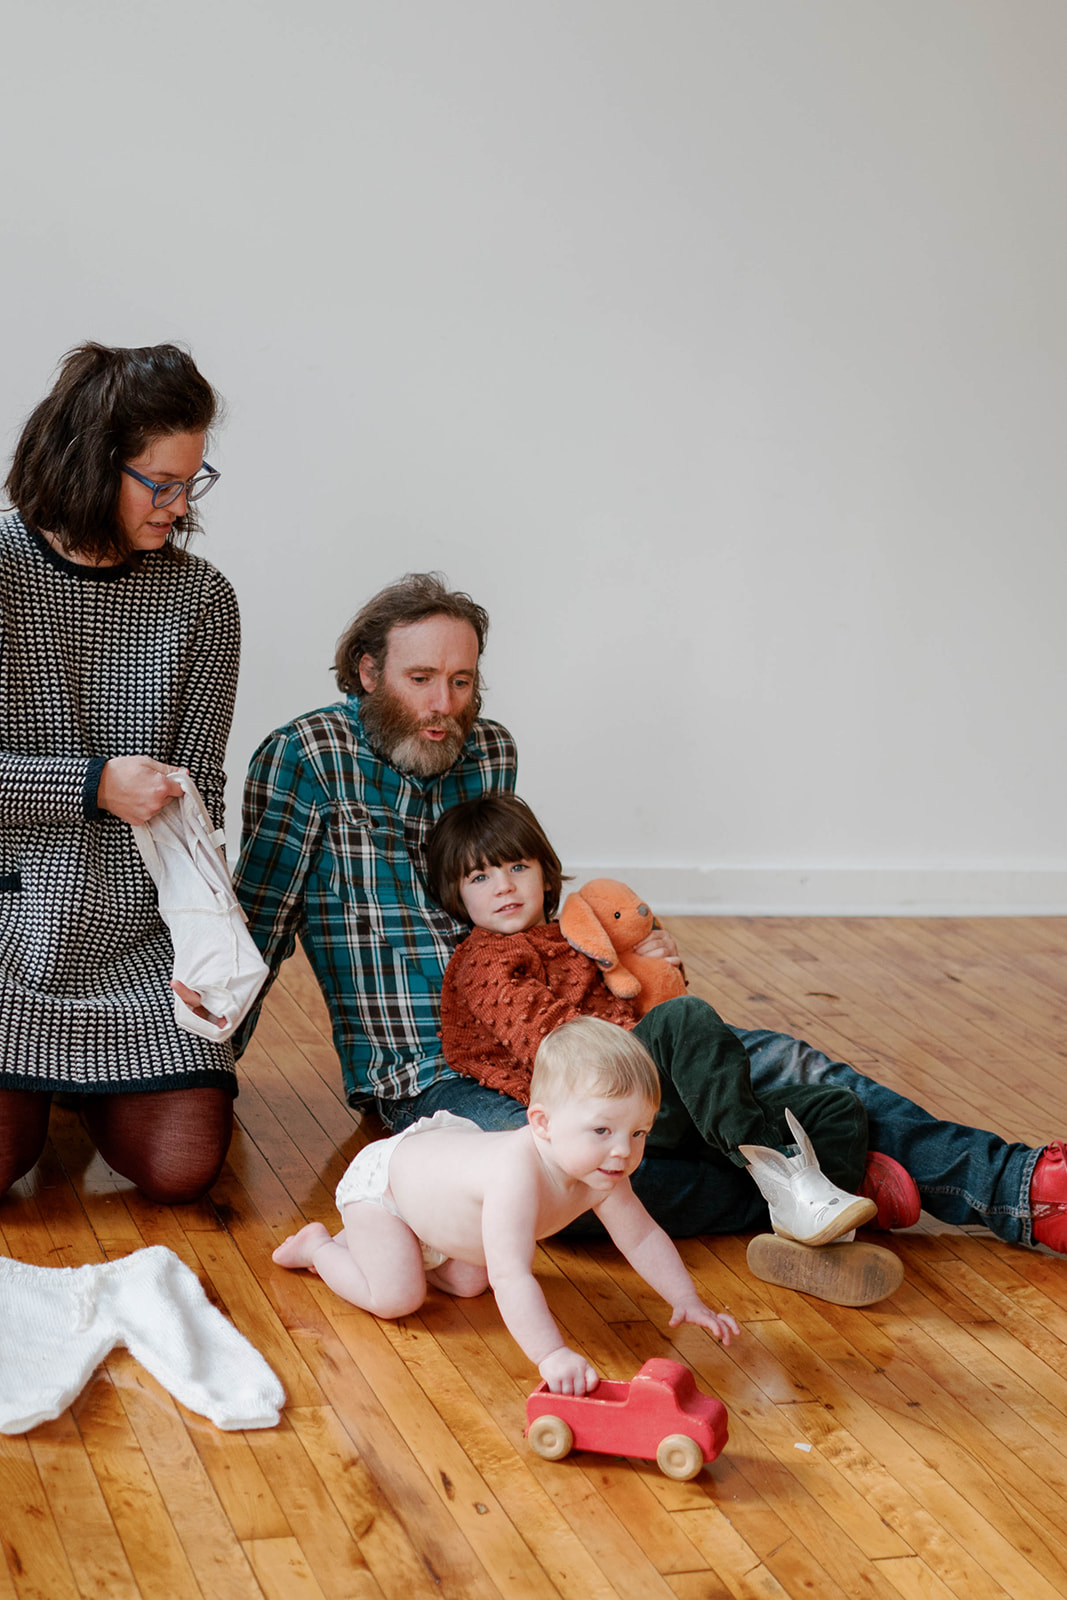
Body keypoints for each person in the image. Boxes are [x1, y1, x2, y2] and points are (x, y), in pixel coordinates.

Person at [233, 571, 1067, 1255]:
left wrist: (616, 958)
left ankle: (1021, 1187)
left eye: (462, 680)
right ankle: (830, 1181)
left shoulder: (485, 748)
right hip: (429, 1069)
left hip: (574, 1023)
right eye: (421, 680)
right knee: (579, 1190)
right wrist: (206, 1064)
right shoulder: (304, 759)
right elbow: (259, 920)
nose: (445, 704)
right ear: (369, 672)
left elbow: (527, 900)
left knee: (784, 1065)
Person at [426, 791, 910, 1250]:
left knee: (837, 1108)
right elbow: (561, 1046)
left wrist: (653, 962)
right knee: (685, 1018)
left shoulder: (577, 938)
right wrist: (661, 1034)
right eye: (480, 877)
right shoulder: (483, 960)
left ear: (546, 875)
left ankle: (818, 1223)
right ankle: (777, 1178)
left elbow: (643, 993)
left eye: (516, 867)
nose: (505, 886)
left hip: (651, 1093)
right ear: (456, 894)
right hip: (596, 1101)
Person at [0, 342, 240, 1203]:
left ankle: (69, 1089)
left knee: (183, 1168)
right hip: (9, 934)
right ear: (92, 463)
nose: (179, 507)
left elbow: (200, 796)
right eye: (160, 483)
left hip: (138, 946)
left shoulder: (202, 599)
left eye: (192, 482)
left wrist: (204, 935)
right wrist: (94, 787)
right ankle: (41, 1091)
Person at [271, 1015, 740, 1394]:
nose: (623, 1150)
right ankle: (319, 1248)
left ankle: (409, 1247)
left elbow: (641, 1237)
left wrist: (686, 1298)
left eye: (639, 1133)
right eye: (602, 1130)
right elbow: (513, 1275)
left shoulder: (603, 1173)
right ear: (542, 1123)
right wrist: (551, 1354)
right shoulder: (517, 1174)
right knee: (398, 1297)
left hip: (442, 1188)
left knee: (471, 1281)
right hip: (388, 1189)